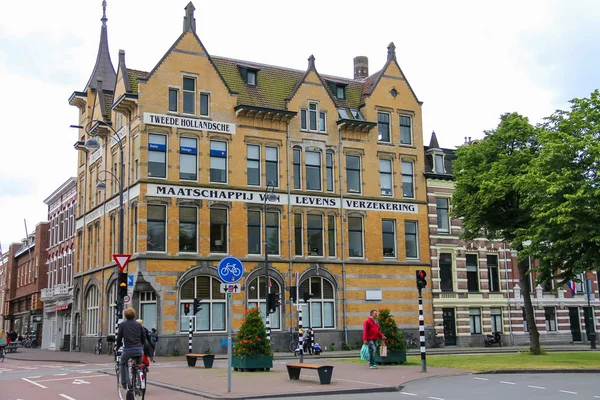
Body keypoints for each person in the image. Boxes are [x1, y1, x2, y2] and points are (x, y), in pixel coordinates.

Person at [116, 308, 146, 389]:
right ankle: (140, 383)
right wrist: (141, 346)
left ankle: (124, 383)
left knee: (122, 363)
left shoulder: (122, 325)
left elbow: (119, 338)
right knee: (139, 365)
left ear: (125, 316)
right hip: (139, 349)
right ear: (134, 315)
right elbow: (143, 337)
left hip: (128, 350)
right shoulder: (139, 325)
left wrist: (117, 348)